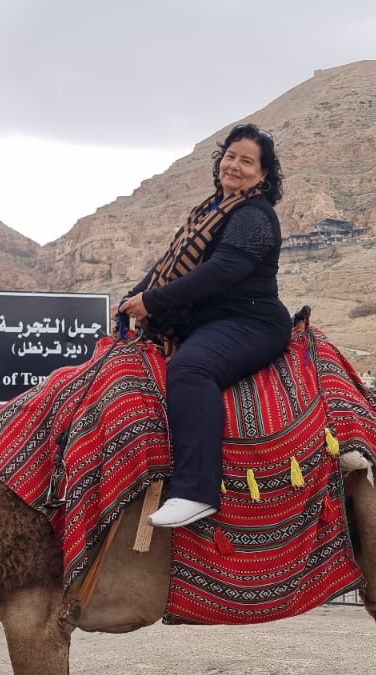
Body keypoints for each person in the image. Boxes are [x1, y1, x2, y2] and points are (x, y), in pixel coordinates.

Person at [119, 124, 292, 528]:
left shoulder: (254, 215)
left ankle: (195, 492)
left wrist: (153, 302)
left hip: (249, 323)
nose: (234, 166)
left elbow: (221, 271)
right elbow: (168, 264)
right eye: (230, 156)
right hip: (207, 322)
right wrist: (134, 298)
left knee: (191, 370)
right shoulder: (209, 211)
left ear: (263, 174)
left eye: (247, 161)